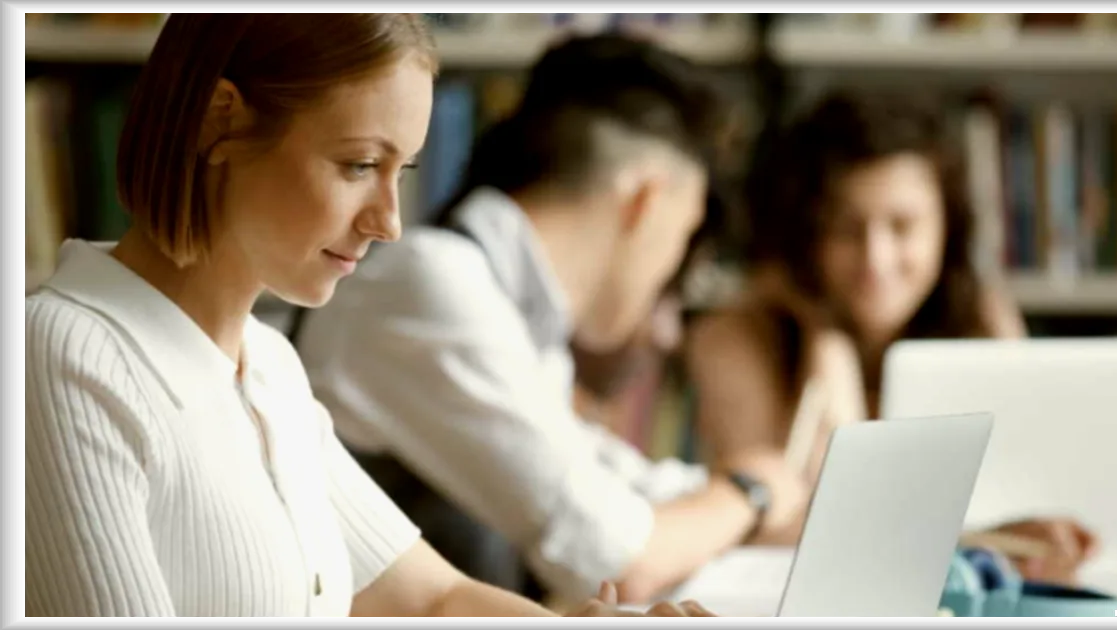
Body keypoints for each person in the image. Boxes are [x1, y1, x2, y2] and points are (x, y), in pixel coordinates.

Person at [23, 13, 715, 618]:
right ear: (219, 119)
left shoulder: (267, 369)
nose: (389, 223)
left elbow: (430, 598)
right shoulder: (64, 355)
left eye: (402, 173)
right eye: (358, 165)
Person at [295, 33, 807, 607]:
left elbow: (612, 484)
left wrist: (762, 494)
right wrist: (749, 493)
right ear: (645, 200)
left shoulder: (515, 308)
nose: (670, 275)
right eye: (685, 234)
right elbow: (618, 556)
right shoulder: (423, 284)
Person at [684, 90, 1098, 585]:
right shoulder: (733, 338)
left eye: (903, 226)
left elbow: (1011, 488)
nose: (875, 260)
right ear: (806, 232)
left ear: (948, 226)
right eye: (845, 228)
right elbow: (800, 529)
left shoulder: (983, 320)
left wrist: (1004, 536)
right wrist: (826, 340)